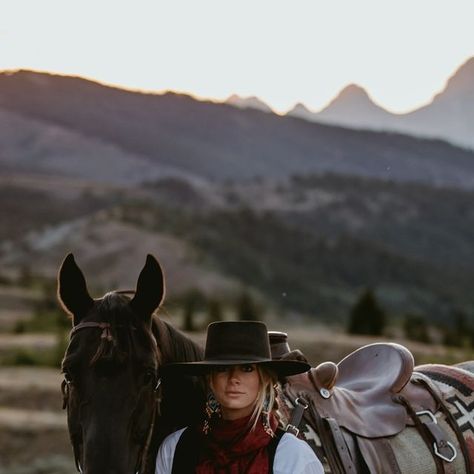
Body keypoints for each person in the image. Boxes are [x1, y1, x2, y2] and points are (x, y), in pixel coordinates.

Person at [155, 321, 324, 473]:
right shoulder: (175, 449)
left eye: (247, 369)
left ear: (264, 379)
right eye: (222, 369)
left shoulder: (293, 456)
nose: (234, 379)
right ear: (210, 379)